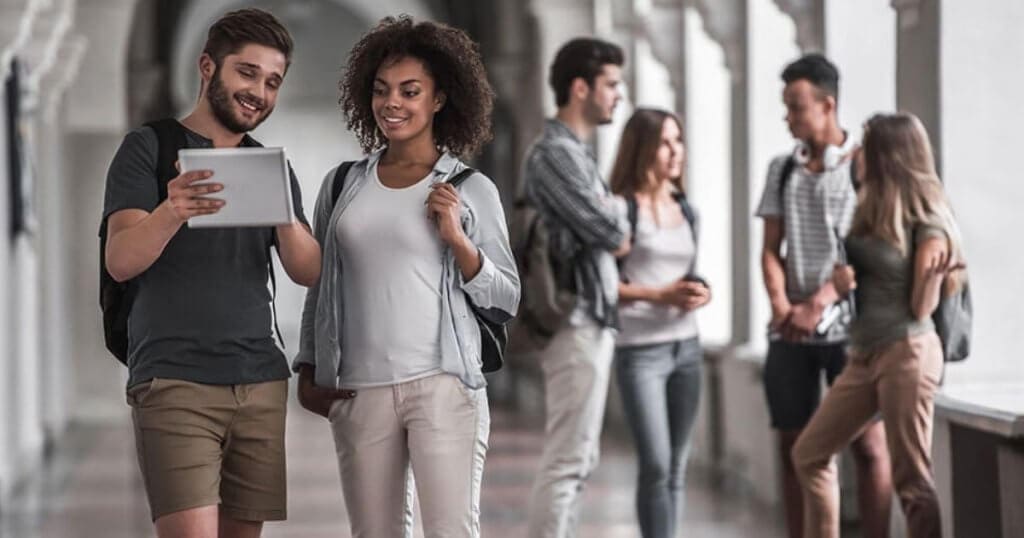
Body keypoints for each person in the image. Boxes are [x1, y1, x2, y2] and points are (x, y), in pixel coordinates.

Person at [291, 16, 519, 538]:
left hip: (443, 386)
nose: (392, 103)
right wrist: (309, 365)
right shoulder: (343, 184)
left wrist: (459, 241)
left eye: (410, 91)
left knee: (450, 531)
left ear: (439, 99)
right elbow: (323, 286)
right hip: (359, 391)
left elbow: (506, 297)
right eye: (381, 90)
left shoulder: (470, 188)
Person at [101, 8, 320, 537]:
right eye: (246, 73)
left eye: (272, 81)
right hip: (174, 382)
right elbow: (121, 259)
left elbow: (308, 271)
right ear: (207, 67)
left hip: (260, 382)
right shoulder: (149, 148)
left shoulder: (271, 165)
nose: (259, 92)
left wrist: (283, 215)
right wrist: (172, 210)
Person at [792, 112, 963, 538]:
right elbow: (863, 279)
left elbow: (920, 309)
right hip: (865, 353)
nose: (856, 153)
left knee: (912, 482)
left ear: (888, 156)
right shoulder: (870, 205)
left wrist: (933, 279)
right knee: (810, 453)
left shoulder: (929, 218)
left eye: (866, 146)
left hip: (907, 352)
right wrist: (841, 282)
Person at [755, 53, 892, 538]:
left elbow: (873, 251)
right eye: (786, 106)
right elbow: (770, 249)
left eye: (796, 106)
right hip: (791, 330)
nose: (788, 116)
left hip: (853, 331)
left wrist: (819, 303)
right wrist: (783, 309)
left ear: (827, 104)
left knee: (870, 445)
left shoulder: (864, 170)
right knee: (794, 445)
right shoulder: (781, 170)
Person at [522, 37, 630, 538]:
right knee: (568, 458)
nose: (618, 94)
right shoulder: (553, 155)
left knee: (579, 456)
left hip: (591, 319)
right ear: (580, 87)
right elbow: (611, 231)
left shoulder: (577, 155)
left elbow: (610, 226)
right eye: (611, 84)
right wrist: (617, 215)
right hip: (575, 321)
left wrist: (612, 215)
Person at [608, 108, 711, 538]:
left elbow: (688, 272)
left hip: (687, 349)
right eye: (666, 142)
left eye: (679, 140)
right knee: (655, 464)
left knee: (676, 467)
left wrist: (700, 290)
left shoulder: (687, 209)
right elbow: (606, 288)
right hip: (639, 353)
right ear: (643, 148)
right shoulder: (619, 210)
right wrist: (660, 295)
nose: (676, 151)